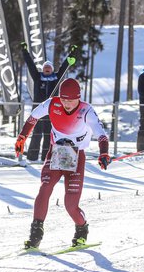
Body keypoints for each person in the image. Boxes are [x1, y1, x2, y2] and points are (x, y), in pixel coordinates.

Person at [15, 78, 110, 249]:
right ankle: (35, 234)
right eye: (64, 99)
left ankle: (82, 229)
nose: (66, 103)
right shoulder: (52, 104)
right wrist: (22, 137)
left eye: (71, 100)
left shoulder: (86, 110)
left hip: (76, 155)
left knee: (70, 205)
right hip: (57, 152)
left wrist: (104, 152)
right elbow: (32, 118)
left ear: (78, 98)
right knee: (45, 188)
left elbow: (101, 133)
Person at [21, 42, 60, 162]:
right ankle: (32, 157)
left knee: (49, 134)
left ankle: (46, 157)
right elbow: (31, 65)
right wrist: (25, 51)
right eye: (45, 68)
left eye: (49, 68)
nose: (47, 69)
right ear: (43, 70)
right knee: (37, 133)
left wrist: (72, 55)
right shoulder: (38, 77)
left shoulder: (56, 79)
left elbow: (65, 67)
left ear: (52, 70)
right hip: (38, 109)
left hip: (51, 110)